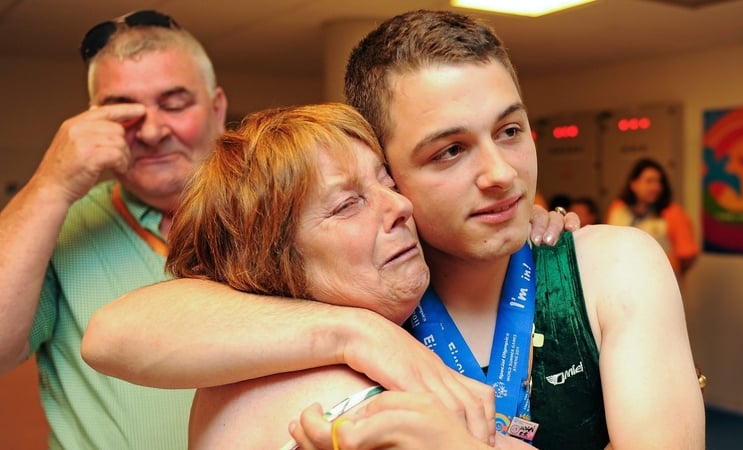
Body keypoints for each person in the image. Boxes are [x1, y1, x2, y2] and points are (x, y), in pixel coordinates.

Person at [81, 9, 706, 450]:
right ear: (391, 164)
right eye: (449, 151)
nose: (500, 174)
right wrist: (359, 335)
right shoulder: (346, 307)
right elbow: (115, 332)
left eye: (510, 130)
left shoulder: (605, 266)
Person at [169, 103, 530, 449]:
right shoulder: (345, 409)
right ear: (268, 262)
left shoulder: (245, 368)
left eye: (387, 184)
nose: (401, 206)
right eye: (347, 205)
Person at [0, 10, 229, 448]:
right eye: (123, 111)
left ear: (217, 109)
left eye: (175, 104)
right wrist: (52, 184)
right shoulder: (58, 226)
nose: (151, 130)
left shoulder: (280, 214)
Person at [606, 157, 699, 276]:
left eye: (659, 182)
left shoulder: (672, 213)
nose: (656, 187)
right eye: (649, 181)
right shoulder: (617, 208)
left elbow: (687, 255)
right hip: (622, 276)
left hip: (659, 279)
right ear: (633, 184)